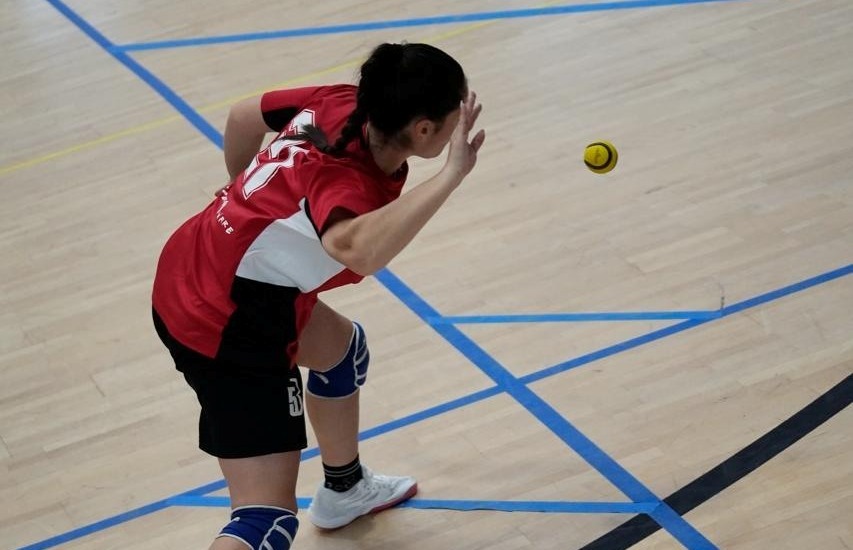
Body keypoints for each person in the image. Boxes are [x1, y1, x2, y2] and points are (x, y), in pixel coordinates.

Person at [151, 42, 485, 550]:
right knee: (265, 520)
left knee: (342, 354)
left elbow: (243, 116)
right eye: (456, 113)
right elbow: (356, 249)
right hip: (227, 322)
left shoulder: (341, 102)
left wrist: (242, 189)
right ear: (423, 130)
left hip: (200, 260)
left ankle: (345, 489)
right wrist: (452, 173)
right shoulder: (349, 182)